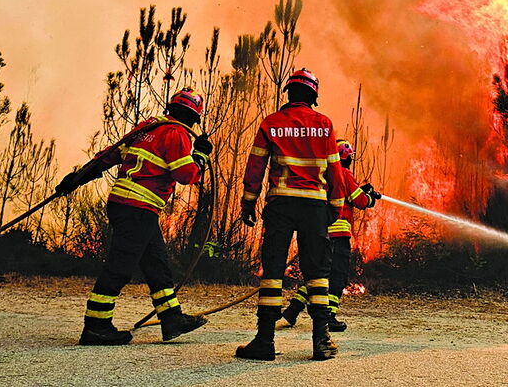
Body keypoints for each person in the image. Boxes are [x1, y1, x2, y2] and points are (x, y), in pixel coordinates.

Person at [55, 87, 213, 346]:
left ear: (171, 108)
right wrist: (200, 155)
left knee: (156, 263)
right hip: (138, 207)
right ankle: (96, 326)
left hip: (127, 205)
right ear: (194, 118)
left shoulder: (146, 128)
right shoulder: (177, 134)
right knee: (120, 266)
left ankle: (172, 318)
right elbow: (186, 175)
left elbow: (109, 155)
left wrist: (78, 178)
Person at [236, 68, 346, 361]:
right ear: (314, 96)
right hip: (314, 207)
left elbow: (256, 166)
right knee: (318, 273)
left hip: (281, 205)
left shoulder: (271, 123)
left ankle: (264, 340)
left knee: (273, 271)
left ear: (289, 93)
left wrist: (248, 203)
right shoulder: (324, 125)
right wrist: (334, 206)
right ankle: (321, 339)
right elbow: (335, 170)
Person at [281, 138, 381, 332]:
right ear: (346, 156)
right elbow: (359, 200)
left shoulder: (322, 174)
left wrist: (362, 189)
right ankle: (329, 317)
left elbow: (349, 193)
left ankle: (292, 311)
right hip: (338, 235)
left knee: (317, 275)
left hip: (320, 232)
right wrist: (370, 198)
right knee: (338, 277)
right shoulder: (343, 173)